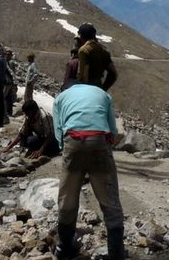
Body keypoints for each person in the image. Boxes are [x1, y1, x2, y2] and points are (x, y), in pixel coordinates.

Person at [53, 79, 124, 260]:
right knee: (110, 201)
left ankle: (65, 248)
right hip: (99, 142)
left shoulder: (61, 97)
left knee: (67, 198)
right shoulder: (103, 94)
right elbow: (113, 131)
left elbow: (58, 130)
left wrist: (66, 149)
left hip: (73, 143)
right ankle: (116, 254)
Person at [76, 23, 118, 90]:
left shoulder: (84, 50)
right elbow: (113, 73)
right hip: (98, 86)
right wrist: (103, 89)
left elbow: (83, 76)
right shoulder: (103, 50)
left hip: (86, 89)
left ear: (81, 36)